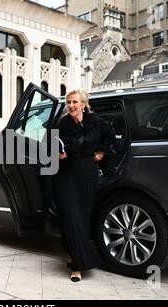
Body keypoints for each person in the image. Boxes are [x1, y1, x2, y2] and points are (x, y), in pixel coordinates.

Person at [54, 89, 115, 282]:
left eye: (74, 102)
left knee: (83, 218)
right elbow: (54, 143)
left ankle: (75, 256)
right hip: (65, 173)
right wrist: (59, 153)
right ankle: (78, 267)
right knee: (70, 216)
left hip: (87, 173)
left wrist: (102, 152)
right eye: (68, 102)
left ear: (83, 103)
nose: (71, 105)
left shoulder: (94, 121)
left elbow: (110, 135)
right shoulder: (63, 123)